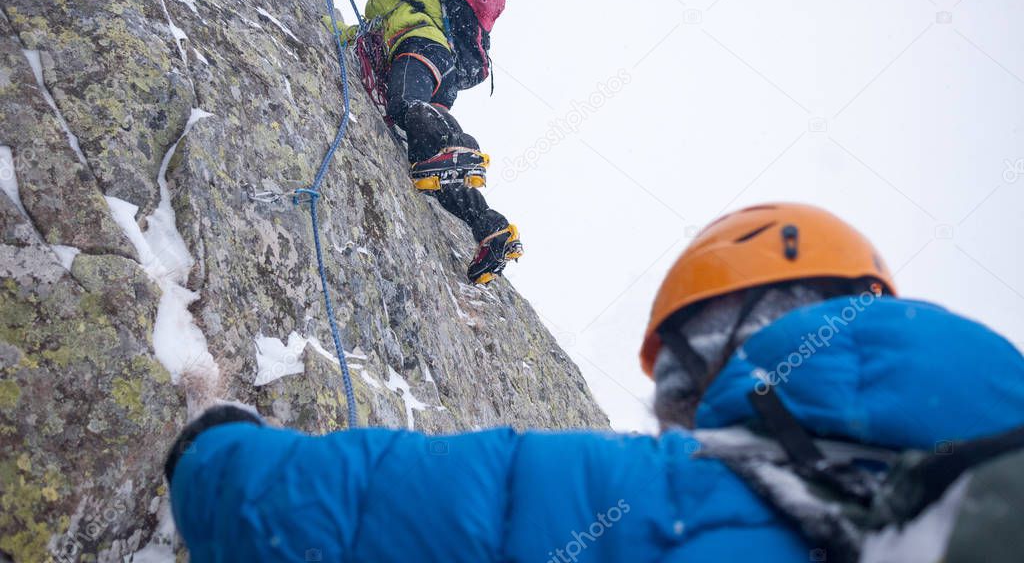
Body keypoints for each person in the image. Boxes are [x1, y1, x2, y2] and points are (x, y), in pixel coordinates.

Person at [165, 203, 1024, 562]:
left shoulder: (673, 497)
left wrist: (210, 444)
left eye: (683, 377)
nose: (676, 421)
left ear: (731, 336)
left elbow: (346, 506)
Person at [299, 0, 521, 284]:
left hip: (419, 50)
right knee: (432, 172)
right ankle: (491, 229)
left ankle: (460, 148)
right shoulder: (428, 9)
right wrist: (322, 25)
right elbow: (360, 34)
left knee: (406, 103)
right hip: (441, 72)